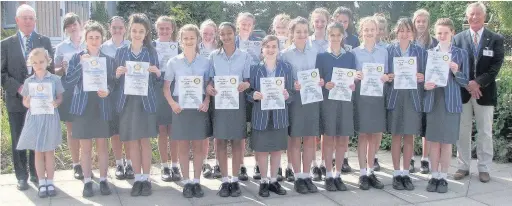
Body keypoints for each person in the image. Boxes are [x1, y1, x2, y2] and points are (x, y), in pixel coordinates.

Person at [1, 4, 54, 190]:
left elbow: (51, 71)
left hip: (40, 102)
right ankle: (21, 176)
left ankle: (36, 174)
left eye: (31, 18)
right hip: (16, 100)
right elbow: (2, 74)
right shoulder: (5, 45)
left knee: (37, 137)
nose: (28, 21)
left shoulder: (45, 41)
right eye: (24, 17)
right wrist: (21, 87)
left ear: (35, 21)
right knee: (19, 137)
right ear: (17, 20)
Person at [454, 2, 504, 183]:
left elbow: (496, 66)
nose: (474, 17)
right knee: (462, 130)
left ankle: (484, 168)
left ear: (484, 16)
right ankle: (463, 166)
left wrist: (478, 83)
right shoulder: (458, 39)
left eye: (478, 14)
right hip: (463, 92)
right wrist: (468, 84)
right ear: (467, 16)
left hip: (485, 92)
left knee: (484, 132)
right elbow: (454, 66)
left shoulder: (495, 38)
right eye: (471, 14)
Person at [65, 20, 115, 197]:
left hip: (101, 106)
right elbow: (69, 82)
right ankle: (87, 181)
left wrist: (108, 90)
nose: (94, 40)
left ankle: (103, 180)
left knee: (102, 146)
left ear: (102, 39)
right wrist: (81, 64)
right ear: (85, 39)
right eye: (91, 37)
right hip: (83, 107)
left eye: (97, 37)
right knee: (85, 147)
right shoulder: (75, 58)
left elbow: (114, 82)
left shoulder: (109, 60)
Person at [114, 13, 162, 196]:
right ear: (129, 31)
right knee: (132, 141)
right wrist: (117, 74)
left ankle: (147, 179)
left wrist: (157, 73)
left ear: (146, 32)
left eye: (141, 31)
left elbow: (159, 82)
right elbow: (115, 82)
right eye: (134, 30)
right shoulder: (121, 52)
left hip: (146, 103)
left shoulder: (151, 52)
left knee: (145, 141)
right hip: (128, 103)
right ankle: (137, 178)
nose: (137, 34)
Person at [163, 24, 210, 198]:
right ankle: (186, 182)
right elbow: (166, 87)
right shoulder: (173, 62)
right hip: (180, 109)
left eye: (192, 37)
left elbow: (209, 86)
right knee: (182, 147)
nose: (189, 41)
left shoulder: (206, 62)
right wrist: (172, 103)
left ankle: (196, 182)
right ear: (180, 41)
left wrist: (206, 100)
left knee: (198, 147)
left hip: (198, 109)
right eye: (186, 38)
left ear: (197, 39)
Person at [206, 22, 251, 197]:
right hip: (219, 102)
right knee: (220, 141)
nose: (226, 37)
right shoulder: (213, 56)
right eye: (222, 34)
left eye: (229, 33)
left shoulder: (245, 56)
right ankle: (225, 181)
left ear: (235, 33)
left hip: (237, 101)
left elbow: (248, 80)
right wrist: (209, 88)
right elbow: (210, 80)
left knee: (237, 141)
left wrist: (245, 84)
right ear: (219, 35)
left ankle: (235, 180)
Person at [424, 18, 469, 193]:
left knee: (447, 142)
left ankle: (443, 177)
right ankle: (434, 176)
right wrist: (426, 85)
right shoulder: (429, 53)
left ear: (452, 33)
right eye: (439, 33)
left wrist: (456, 71)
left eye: (446, 33)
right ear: (436, 34)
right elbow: (424, 79)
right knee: (434, 141)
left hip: (451, 102)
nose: (442, 36)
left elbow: (465, 81)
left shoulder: (461, 54)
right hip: (434, 100)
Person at [248, 35, 292, 197]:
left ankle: (274, 180)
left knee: (276, 149)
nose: (271, 50)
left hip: (279, 114)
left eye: (274, 46)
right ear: (262, 49)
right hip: (261, 115)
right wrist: (254, 95)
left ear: (278, 49)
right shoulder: (254, 68)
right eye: (267, 46)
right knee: (261, 149)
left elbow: (292, 92)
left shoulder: (286, 68)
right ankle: (264, 181)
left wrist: (288, 95)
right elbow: (248, 92)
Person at [281, 17, 321, 193]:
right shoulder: (285, 54)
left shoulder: (316, 51)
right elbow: (280, 80)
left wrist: (321, 81)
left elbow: (322, 73)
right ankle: (297, 177)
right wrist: (291, 84)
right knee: (295, 139)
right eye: (298, 31)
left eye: (305, 31)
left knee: (311, 138)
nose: (302, 35)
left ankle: (307, 175)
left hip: (312, 99)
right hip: (295, 101)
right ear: (292, 33)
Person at [16, 48, 63, 198]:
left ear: (48, 61)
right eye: (34, 63)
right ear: (30, 64)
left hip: (49, 118)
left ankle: (50, 181)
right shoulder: (29, 81)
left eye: (41, 61)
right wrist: (27, 102)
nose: (38, 65)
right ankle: (41, 182)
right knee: (38, 152)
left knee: (49, 151)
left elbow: (60, 97)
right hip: (35, 119)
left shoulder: (54, 79)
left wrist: (56, 102)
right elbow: (25, 102)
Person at [387, 18, 426, 191]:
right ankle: (396, 174)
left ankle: (406, 174)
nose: (404, 34)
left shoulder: (420, 50)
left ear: (413, 33)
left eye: (408, 30)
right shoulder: (389, 50)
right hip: (395, 97)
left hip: (412, 98)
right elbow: (384, 72)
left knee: (409, 136)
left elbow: (426, 73)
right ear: (397, 32)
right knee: (396, 136)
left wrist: (421, 76)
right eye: (401, 30)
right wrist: (388, 76)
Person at [317, 22, 355, 192]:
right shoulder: (321, 56)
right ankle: (328, 175)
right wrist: (325, 84)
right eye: (331, 35)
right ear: (327, 36)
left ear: (342, 36)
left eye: (338, 35)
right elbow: (318, 80)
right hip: (328, 101)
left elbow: (352, 77)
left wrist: (353, 84)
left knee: (342, 138)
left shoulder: (350, 56)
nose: (335, 38)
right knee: (328, 137)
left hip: (345, 101)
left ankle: (338, 174)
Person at [352, 17, 388, 191]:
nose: (369, 32)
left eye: (372, 29)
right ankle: (362, 173)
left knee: (374, 135)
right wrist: (355, 75)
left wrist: (386, 77)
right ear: (361, 32)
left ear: (377, 31)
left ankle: (371, 171)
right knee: (363, 135)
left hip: (378, 96)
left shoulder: (384, 51)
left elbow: (389, 74)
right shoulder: (354, 52)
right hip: (362, 96)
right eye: (365, 29)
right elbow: (349, 75)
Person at [101, 15, 134, 180]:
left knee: (127, 130)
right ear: (109, 29)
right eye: (114, 27)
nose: (117, 30)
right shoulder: (103, 48)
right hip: (111, 94)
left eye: (120, 27)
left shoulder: (131, 46)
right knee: (115, 131)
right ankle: (119, 163)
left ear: (125, 29)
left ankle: (130, 163)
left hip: (128, 94)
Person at [54, 12, 86, 180]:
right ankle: (76, 164)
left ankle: (87, 162)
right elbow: (55, 71)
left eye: (75, 23)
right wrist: (62, 67)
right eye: (69, 25)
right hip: (69, 90)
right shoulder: (61, 48)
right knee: (72, 129)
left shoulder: (89, 43)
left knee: (87, 127)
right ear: (65, 29)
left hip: (88, 91)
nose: (73, 27)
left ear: (80, 25)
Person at [152, 15, 182, 182]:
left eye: (167, 28)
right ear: (157, 29)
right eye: (161, 28)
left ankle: (175, 166)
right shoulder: (150, 47)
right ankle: (164, 166)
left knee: (175, 129)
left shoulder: (179, 48)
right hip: (157, 90)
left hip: (175, 91)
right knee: (162, 130)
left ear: (172, 29)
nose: (164, 31)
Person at [412, 9, 439, 174]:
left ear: (428, 23)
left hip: (428, 89)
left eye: (424, 21)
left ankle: (425, 159)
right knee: (411, 123)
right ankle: (409, 159)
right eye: (418, 21)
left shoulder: (434, 43)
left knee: (426, 124)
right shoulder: (408, 41)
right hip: (411, 88)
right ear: (414, 23)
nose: (421, 24)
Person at [235, 12, 259, 181]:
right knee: (240, 128)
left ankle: (259, 164)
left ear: (253, 26)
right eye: (243, 23)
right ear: (238, 24)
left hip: (255, 87)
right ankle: (241, 165)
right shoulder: (230, 40)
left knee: (257, 125)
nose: (245, 26)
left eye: (248, 24)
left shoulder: (258, 42)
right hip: (236, 88)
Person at [308, 7, 330, 180]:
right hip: (312, 89)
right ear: (312, 23)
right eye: (317, 21)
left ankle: (324, 162)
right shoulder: (308, 42)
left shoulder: (334, 40)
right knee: (314, 128)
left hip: (330, 88)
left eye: (323, 20)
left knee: (326, 128)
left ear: (327, 22)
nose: (320, 24)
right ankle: (313, 164)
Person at [199, 19, 220, 179]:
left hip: (220, 93)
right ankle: (204, 163)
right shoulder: (195, 48)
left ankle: (219, 163)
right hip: (199, 94)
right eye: (205, 33)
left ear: (215, 34)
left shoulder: (220, 50)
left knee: (219, 130)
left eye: (210, 33)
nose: (207, 36)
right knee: (204, 131)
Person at [371, 14, 389, 172]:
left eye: (382, 29)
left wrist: (387, 76)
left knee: (378, 128)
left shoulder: (387, 49)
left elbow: (390, 72)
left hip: (380, 92)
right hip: (365, 93)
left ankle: (374, 156)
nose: (379, 32)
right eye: (377, 28)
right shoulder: (359, 48)